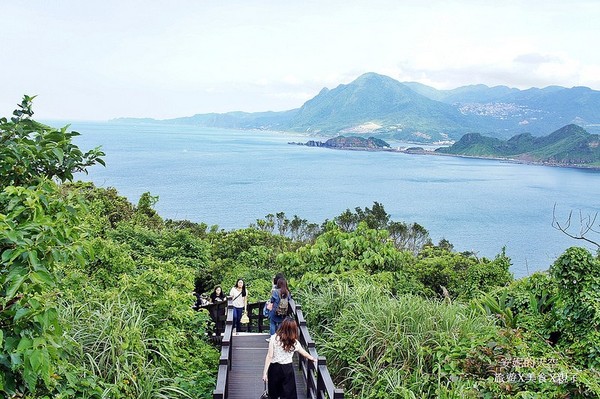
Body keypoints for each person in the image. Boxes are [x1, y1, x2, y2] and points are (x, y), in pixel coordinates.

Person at [262, 317, 317, 399]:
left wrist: (264, 373)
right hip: (287, 369)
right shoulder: (294, 342)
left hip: (274, 369)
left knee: (273, 394)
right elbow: (303, 352)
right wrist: (312, 358)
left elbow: (269, 356)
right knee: (288, 394)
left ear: (283, 326)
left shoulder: (274, 338)